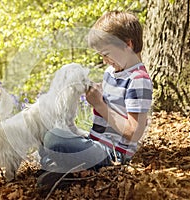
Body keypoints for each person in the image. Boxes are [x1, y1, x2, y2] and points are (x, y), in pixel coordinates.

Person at [37, 10, 153, 189]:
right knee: (49, 131)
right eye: (101, 56)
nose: (105, 61)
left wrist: (99, 104)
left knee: (54, 139)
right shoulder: (112, 72)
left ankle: (68, 171)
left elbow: (134, 132)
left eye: (107, 53)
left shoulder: (138, 80)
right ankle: (64, 168)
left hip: (114, 154)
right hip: (96, 142)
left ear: (127, 45)